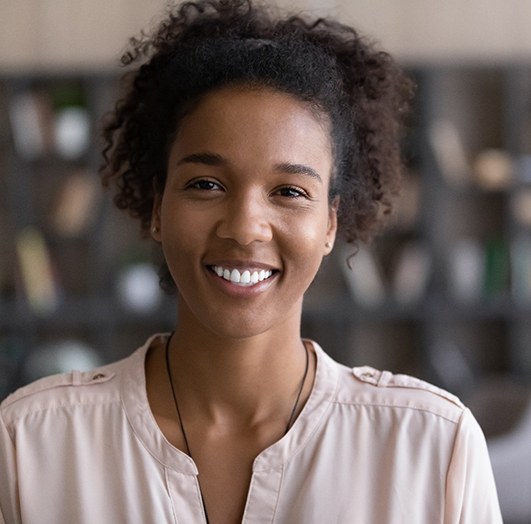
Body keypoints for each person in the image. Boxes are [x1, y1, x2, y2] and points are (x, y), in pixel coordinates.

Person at [0, 1, 502, 522]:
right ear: (156, 208)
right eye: (206, 184)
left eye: (288, 191)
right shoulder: (33, 443)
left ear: (330, 224)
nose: (244, 227)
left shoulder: (432, 447)